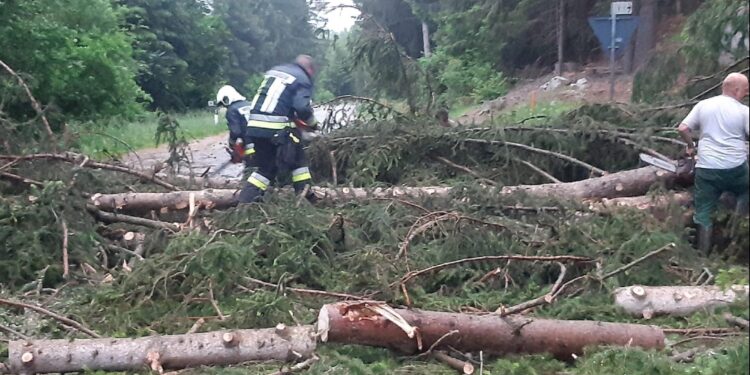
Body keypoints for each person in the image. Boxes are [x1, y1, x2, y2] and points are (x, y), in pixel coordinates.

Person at [677, 72, 749, 253]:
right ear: (736, 89)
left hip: (707, 169)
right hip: (735, 169)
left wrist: (691, 146)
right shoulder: (743, 111)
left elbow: (683, 128)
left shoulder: (704, 105)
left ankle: (703, 256)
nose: (746, 94)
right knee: (746, 190)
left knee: (703, 212)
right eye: (745, 90)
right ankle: (735, 231)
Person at [238, 54, 319, 203]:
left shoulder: (276, 72)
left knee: (266, 168)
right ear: (310, 70)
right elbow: (302, 108)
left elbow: (279, 102)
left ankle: (245, 202)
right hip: (276, 128)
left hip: (254, 126)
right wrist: (313, 123)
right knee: (298, 160)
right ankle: (306, 198)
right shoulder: (302, 78)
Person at [215, 85, 255, 168]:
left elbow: (236, 131)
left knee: (251, 172)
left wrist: (232, 144)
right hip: (263, 143)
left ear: (227, 99)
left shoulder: (232, 110)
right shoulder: (250, 105)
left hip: (250, 147)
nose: (224, 106)